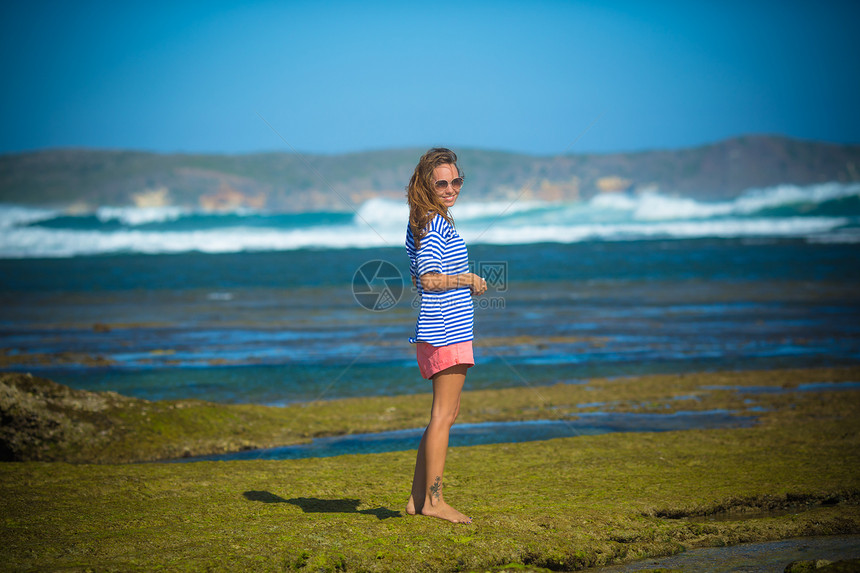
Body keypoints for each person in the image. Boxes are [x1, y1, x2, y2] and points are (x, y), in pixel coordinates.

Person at [405, 148, 487, 524]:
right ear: (427, 183)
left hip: (445, 328)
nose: (451, 188)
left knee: (445, 414)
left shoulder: (429, 220)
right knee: (443, 415)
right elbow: (427, 279)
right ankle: (434, 503)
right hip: (444, 331)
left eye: (457, 181)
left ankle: (417, 499)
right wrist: (466, 279)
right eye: (442, 182)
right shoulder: (431, 224)